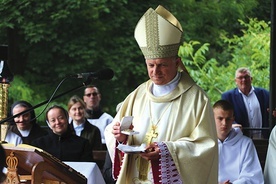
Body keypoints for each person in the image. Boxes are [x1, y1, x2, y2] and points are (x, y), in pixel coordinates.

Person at [104, 5, 218, 183]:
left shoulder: (196, 99)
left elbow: (206, 147)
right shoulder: (137, 95)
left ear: (177, 62)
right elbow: (112, 132)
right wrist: (121, 137)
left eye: (162, 64)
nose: (155, 71)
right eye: (150, 65)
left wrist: (167, 151)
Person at [213, 100, 264, 184]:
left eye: (228, 119)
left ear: (233, 119)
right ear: (212, 118)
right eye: (220, 118)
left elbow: (252, 175)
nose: (224, 123)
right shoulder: (205, 143)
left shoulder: (245, 143)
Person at [221, 67, 271, 139]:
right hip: (240, 139)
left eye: (246, 77)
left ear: (251, 79)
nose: (244, 80)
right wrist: (233, 125)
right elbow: (224, 116)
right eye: (240, 77)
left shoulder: (264, 94)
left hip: (263, 138)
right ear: (235, 81)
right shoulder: (228, 97)